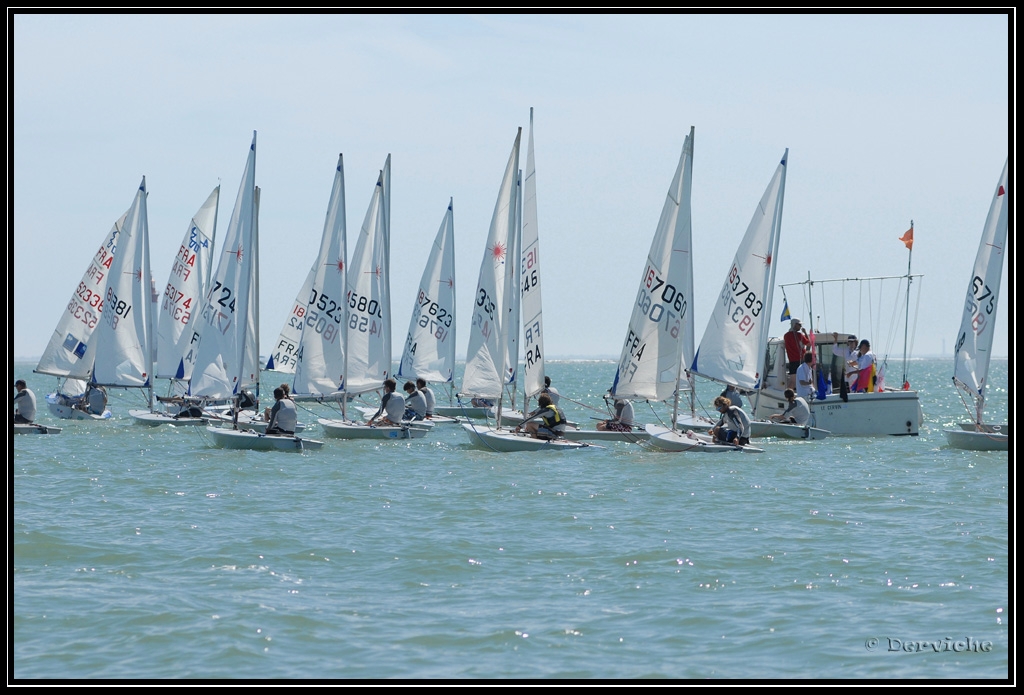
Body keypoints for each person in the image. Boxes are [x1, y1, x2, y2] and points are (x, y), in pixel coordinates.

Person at [783, 318, 811, 389]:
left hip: (792, 361)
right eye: (799, 325)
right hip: (800, 360)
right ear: (795, 325)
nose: (801, 326)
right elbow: (809, 343)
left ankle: (788, 395)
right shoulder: (799, 335)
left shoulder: (786, 336)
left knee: (793, 381)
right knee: (805, 379)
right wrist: (805, 333)